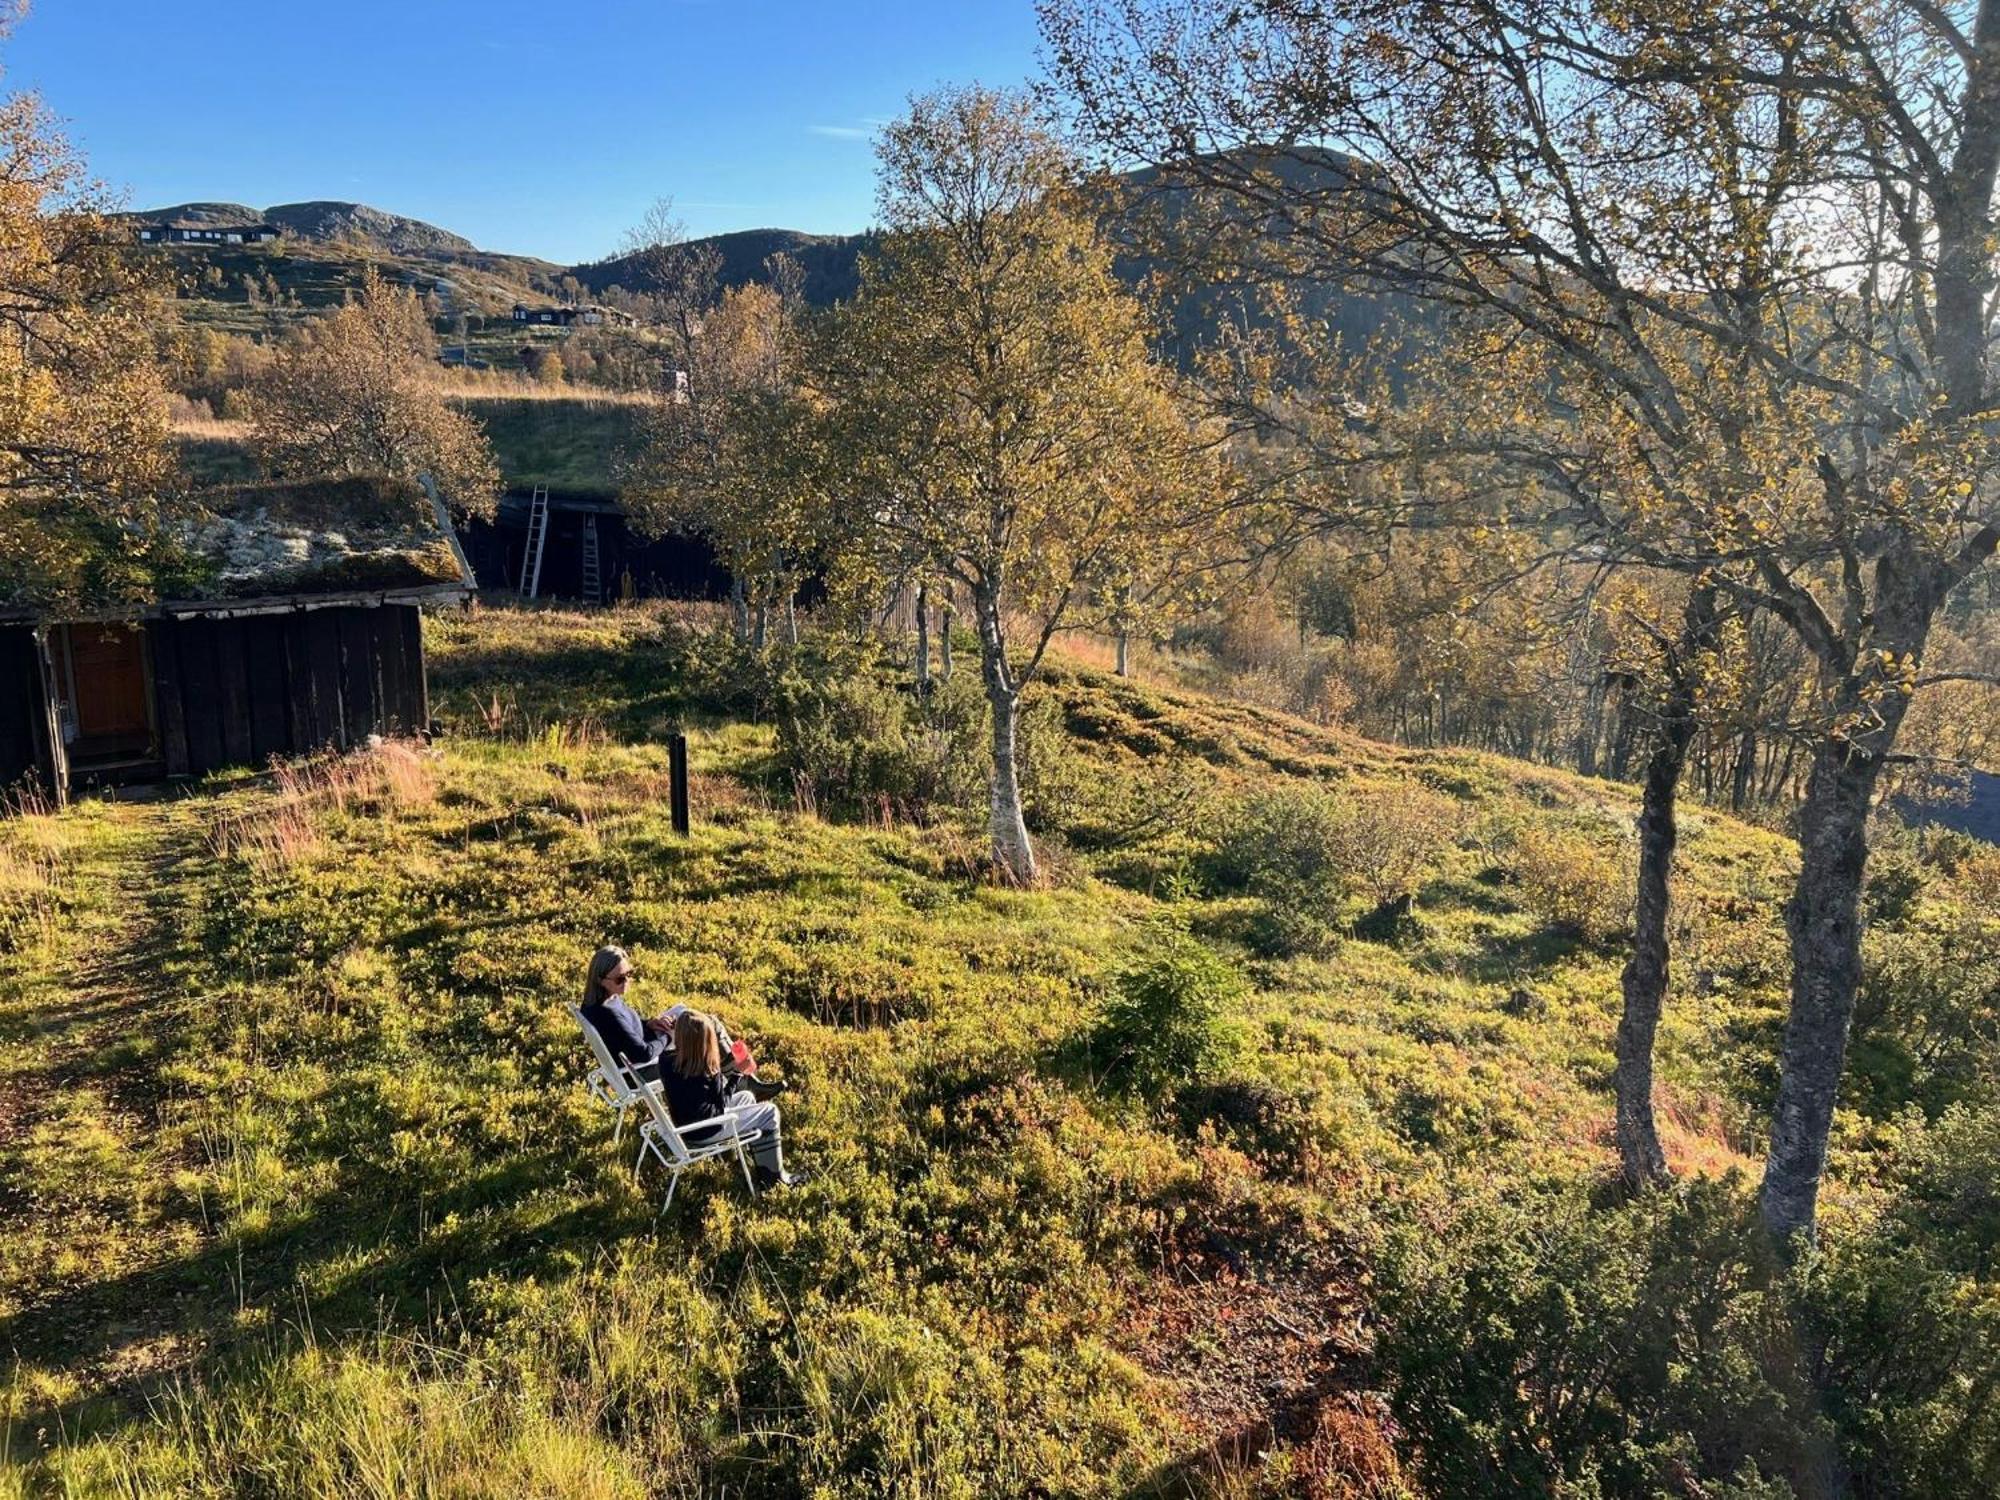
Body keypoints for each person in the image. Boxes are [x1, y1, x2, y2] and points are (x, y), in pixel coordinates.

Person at [578, 945, 783, 1099]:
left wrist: (649, 1023)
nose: (626, 982)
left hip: (639, 1057)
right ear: (599, 979)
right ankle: (742, 1081)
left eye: (629, 975)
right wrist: (669, 1037)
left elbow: (624, 1030)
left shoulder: (599, 1002)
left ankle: (743, 1080)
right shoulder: (607, 1012)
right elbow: (642, 1053)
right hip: (642, 1070)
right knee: (705, 1029)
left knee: (704, 1020)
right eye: (619, 979)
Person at [665, 1010, 803, 1190]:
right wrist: (737, 1074)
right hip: (706, 1131)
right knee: (770, 1112)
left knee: (747, 1096)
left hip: (684, 1126)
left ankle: (749, 1154)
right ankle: (774, 1179)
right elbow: (720, 1106)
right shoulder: (707, 1067)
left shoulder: (666, 1061)